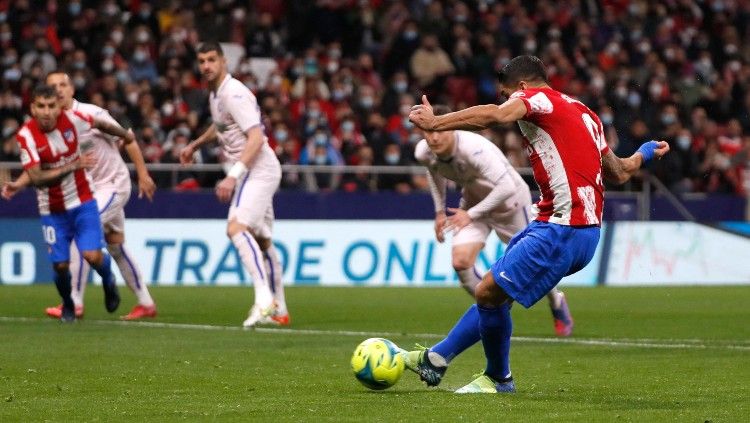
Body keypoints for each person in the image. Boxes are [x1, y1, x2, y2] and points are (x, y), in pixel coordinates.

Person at [406, 55, 669, 393]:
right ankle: (441, 359)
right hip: (578, 229)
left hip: (562, 228)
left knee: (488, 291)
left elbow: (495, 115)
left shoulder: (534, 99)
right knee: (496, 294)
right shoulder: (586, 113)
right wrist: (645, 153)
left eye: (507, 93)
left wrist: (436, 123)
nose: (507, 100)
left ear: (522, 87)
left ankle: (493, 378)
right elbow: (618, 171)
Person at [3, 71, 158, 320]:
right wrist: (19, 184)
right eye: (53, 86)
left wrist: (143, 174)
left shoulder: (90, 114)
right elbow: (41, 167)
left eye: (63, 85)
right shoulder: (48, 125)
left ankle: (74, 302)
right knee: (116, 246)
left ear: (72, 89)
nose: (59, 90)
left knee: (78, 236)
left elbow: (126, 137)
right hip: (86, 189)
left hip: (111, 185)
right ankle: (146, 303)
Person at [415, 104, 574, 337]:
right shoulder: (423, 152)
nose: (434, 137)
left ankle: (556, 300)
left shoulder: (474, 149)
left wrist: (470, 215)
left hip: (509, 205)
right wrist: (440, 212)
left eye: (439, 130)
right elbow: (434, 170)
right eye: (429, 131)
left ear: (452, 127)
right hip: (472, 205)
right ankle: (495, 314)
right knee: (460, 263)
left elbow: (507, 187)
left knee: (533, 266)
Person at [179, 42, 289, 327]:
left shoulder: (233, 93)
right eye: (201, 60)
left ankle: (264, 299)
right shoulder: (217, 94)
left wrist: (233, 174)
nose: (206, 66)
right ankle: (280, 309)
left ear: (223, 61)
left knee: (236, 228)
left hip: (257, 169)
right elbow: (222, 126)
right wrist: (196, 144)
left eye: (211, 59)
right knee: (263, 241)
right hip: (256, 169)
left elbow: (255, 137)